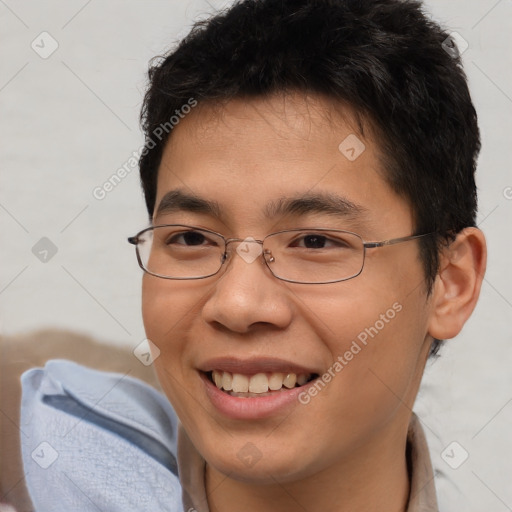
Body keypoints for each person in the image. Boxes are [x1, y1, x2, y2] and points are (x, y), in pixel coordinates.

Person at [20, 0, 486, 511]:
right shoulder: (53, 467)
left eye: (314, 242)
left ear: (451, 282)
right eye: (191, 239)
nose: (237, 305)